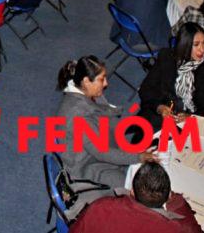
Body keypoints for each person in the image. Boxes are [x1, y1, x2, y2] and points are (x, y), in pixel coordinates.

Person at [55, 56, 154, 192]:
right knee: (134, 190)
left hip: (96, 149)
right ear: (86, 81)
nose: (106, 83)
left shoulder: (90, 92)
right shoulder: (77, 115)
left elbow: (109, 120)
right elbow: (102, 152)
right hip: (86, 166)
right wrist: (138, 156)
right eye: (102, 79)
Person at [70, 161, 204, 233]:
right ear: (167, 196)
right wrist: (178, 204)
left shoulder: (101, 207)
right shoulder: (175, 229)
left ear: (132, 191)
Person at [139, 23, 204, 130]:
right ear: (185, 45)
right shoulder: (166, 57)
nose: (202, 49)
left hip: (195, 120)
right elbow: (146, 89)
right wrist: (160, 107)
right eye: (196, 45)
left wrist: (192, 118)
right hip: (163, 115)